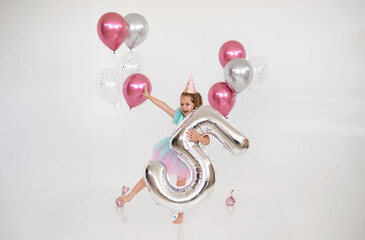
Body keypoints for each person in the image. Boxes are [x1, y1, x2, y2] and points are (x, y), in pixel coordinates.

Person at [115, 75, 210, 224]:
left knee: (181, 185)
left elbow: (207, 140)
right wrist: (149, 97)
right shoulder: (180, 116)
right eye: (182, 104)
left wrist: (198, 136)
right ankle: (129, 196)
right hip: (172, 151)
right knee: (152, 172)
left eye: (187, 104)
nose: (184, 107)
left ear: (195, 105)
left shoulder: (199, 122)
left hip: (187, 156)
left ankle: (180, 215)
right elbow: (165, 106)